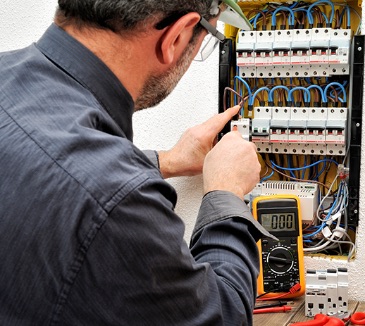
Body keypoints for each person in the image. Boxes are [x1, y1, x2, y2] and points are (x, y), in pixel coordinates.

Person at [0, 0, 272, 325]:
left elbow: (46, 165)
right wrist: (225, 193)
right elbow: (223, 317)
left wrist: (166, 161)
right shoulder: (118, 202)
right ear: (176, 36)